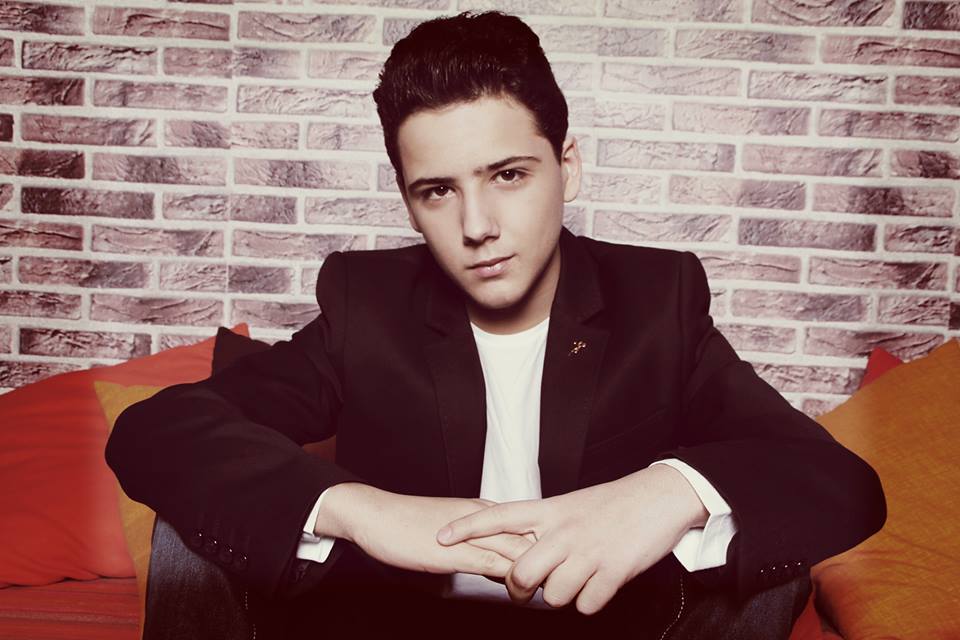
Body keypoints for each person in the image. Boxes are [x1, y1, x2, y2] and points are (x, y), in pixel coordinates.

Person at [105, 11, 886, 639]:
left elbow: (834, 481)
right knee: (193, 526)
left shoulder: (658, 299)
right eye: (438, 191)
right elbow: (158, 431)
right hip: (394, 625)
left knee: (763, 551)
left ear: (567, 167)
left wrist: (668, 491)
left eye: (508, 175)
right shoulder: (367, 304)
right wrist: (362, 509)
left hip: (603, 624)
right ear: (409, 202)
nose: (477, 226)